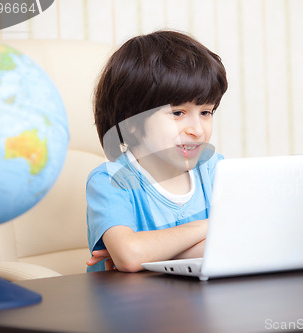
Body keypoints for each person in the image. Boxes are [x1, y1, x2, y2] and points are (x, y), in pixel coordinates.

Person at [86, 30, 227, 272]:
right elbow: (131, 255)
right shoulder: (111, 180)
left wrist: (150, 253)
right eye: (178, 113)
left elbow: (245, 239)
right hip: (131, 306)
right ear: (132, 122)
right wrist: (213, 226)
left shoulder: (215, 168)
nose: (197, 130)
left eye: (205, 112)